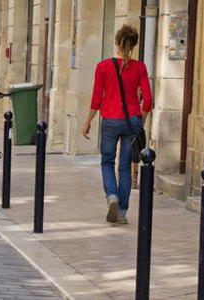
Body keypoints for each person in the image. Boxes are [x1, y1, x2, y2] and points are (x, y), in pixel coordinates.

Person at [81, 25, 153, 225]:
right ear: (133, 45)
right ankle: (121, 212)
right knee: (125, 167)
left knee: (107, 162)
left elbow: (97, 99)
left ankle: (112, 195)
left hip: (110, 121)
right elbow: (147, 100)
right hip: (132, 122)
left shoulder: (103, 66)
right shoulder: (140, 68)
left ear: (116, 42)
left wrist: (87, 121)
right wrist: (141, 120)